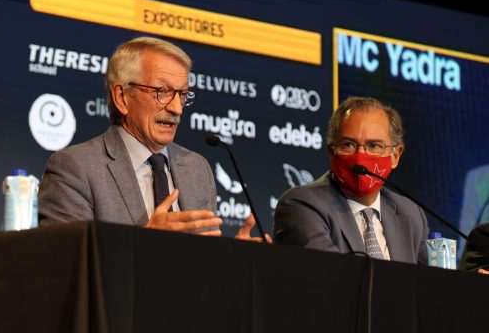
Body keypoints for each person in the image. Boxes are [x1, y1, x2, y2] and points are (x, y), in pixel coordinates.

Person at [38, 36, 265, 241]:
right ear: (122, 97)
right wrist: (147, 242)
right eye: (162, 92)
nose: (177, 108)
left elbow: (201, 269)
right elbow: (67, 263)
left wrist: (234, 260)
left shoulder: (197, 169)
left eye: (182, 94)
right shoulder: (75, 168)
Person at [273, 96, 428, 263]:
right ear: (332, 153)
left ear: (395, 156)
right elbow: (333, 278)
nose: (360, 156)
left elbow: (431, 285)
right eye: (348, 144)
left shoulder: (411, 215)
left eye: (374, 146)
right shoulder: (302, 205)